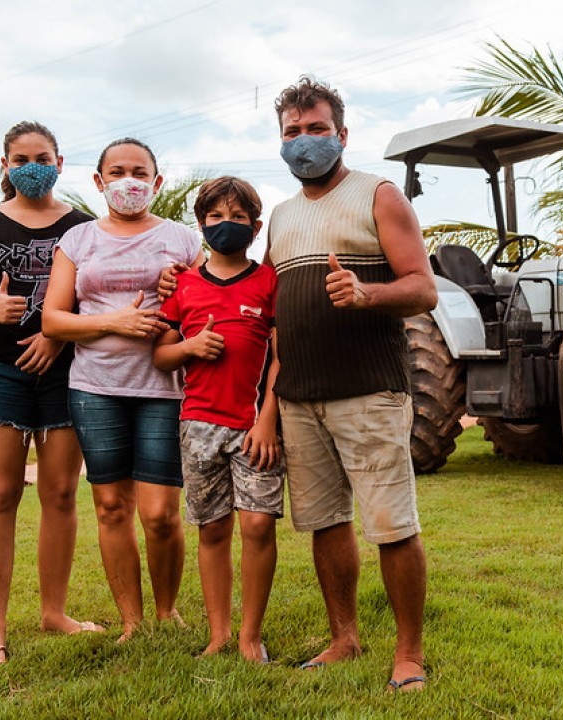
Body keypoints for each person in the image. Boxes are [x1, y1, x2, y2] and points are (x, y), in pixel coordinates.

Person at [265, 77, 438, 692]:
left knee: (392, 524)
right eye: (292, 131)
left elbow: (423, 288)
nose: (304, 140)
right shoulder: (281, 216)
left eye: (316, 129)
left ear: (342, 134)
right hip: (300, 396)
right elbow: (276, 311)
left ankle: (409, 654)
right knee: (325, 522)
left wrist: (366, 293)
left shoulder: (379, 195)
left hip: (369, 390)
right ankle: (344, 638)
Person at [0, 120, 103, 667]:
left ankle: (54, 613)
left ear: (59, 164)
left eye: (42, 159)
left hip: (66, 373)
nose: (32, 168)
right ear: (5, 166)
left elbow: (94, 304)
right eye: (20, 160)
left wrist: (55, 337)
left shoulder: (84, 226)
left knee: (60, 495)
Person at [42, 138, 203, 642]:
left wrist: (180, 291)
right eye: (116, 172)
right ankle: (132, 621)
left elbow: (206, 304)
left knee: (160, 514)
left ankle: (166, 611)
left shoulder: (182, 239)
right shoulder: (77, 241)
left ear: (157, 182)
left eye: (139, 172)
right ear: (99, 181)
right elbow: (53, 320)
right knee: (111, 507)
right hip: (95, 389)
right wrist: (117, 321)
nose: (127, 181)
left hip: (163, 388)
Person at [153, 176, 283, 664]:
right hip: (198, 426)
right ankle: (220, 634)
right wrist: (190, 346)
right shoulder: (183, 285)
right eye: (215, 217)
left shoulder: (268, 282)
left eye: (237, 217)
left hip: (255, 428)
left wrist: (267, 419)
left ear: (255, 226)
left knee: (258, 526)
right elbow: (161, 355)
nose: (226, 225)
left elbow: (281, 357)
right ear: (201, 224)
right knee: (212, 530)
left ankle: (251, 635)